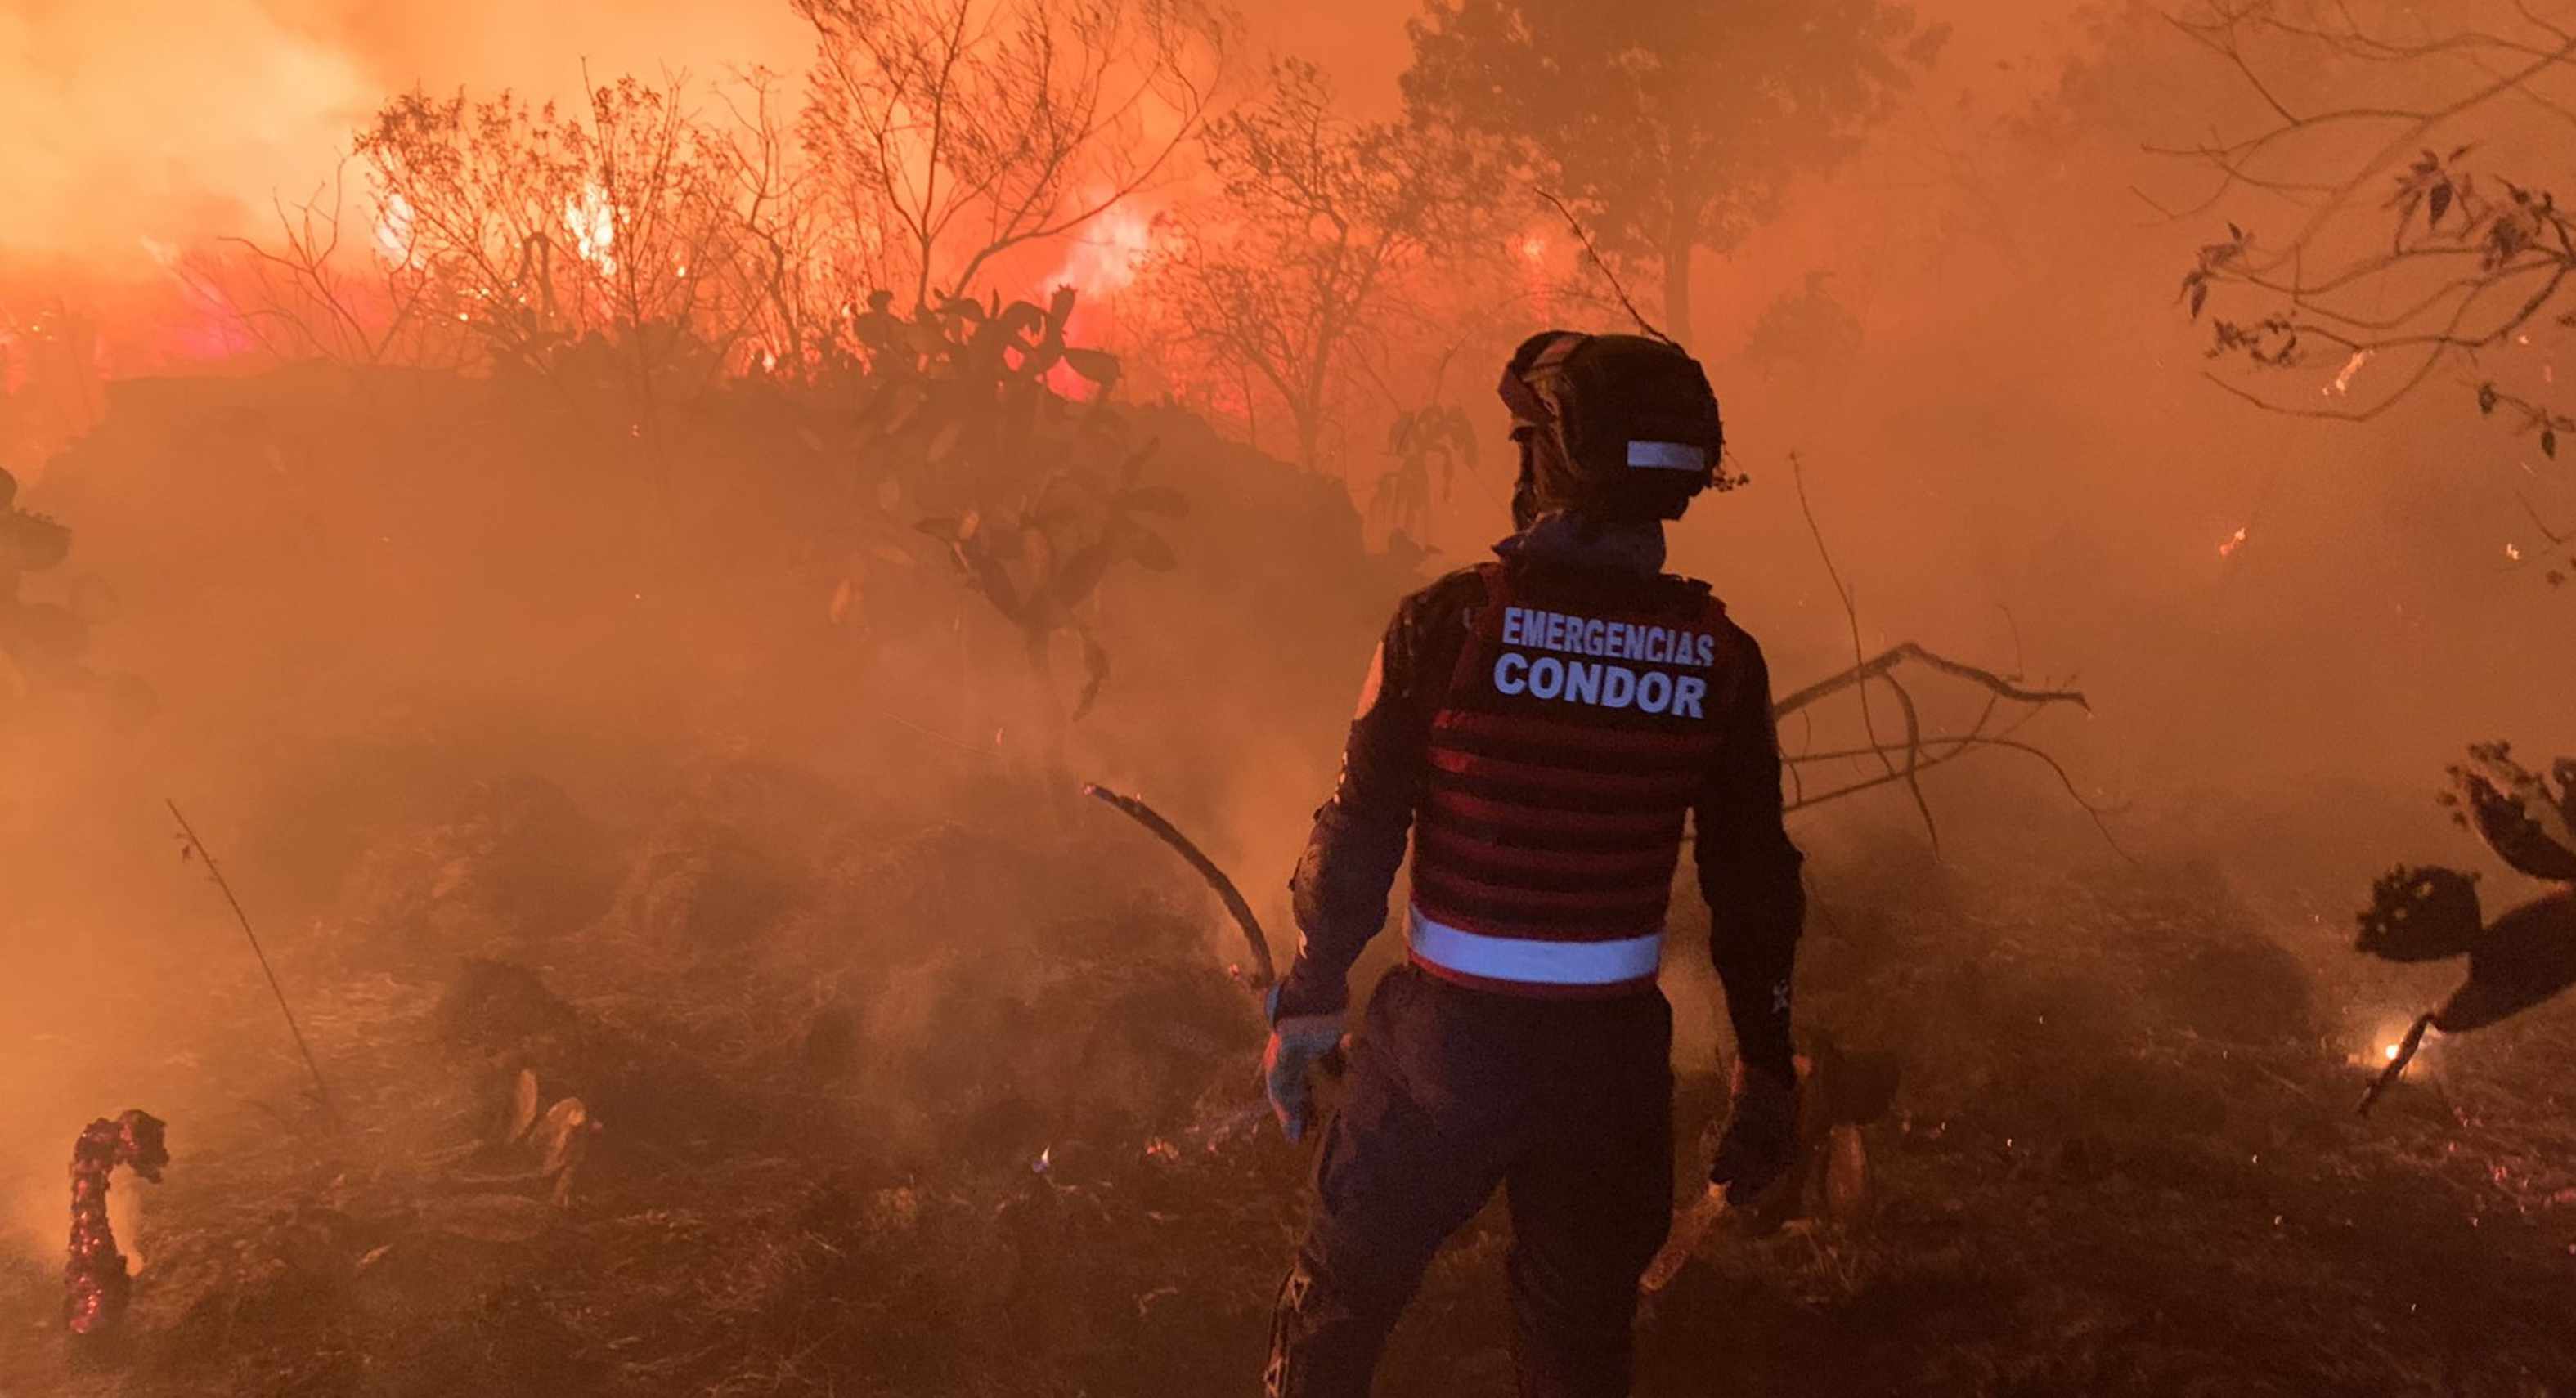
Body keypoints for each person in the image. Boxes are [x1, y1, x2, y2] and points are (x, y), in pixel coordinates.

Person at [1260, 330, 1807, 1398]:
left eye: (1524, 443)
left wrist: (1311, 997)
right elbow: (1755, 888)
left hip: (1442, 1056)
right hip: (1607, 1070)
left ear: (1553, 462)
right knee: (1578, 1353)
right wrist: (1765, 1066)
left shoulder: (1449, 626)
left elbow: (1355, 838)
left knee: (1335, 1305)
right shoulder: (1718, 659)